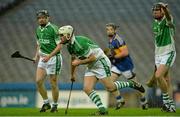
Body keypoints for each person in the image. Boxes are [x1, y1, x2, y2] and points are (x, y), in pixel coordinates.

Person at [58, 25, 144, 115]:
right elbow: (73, 61)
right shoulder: (69, 46)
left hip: (100, 62)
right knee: (87, 88)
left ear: (68, 35)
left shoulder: (80, 43)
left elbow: (93, 58)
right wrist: (72, 74)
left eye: (61, 35)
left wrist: (79, 62)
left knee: (110, 88)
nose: (60, 38)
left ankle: (131, 83)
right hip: (91, 66)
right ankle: (103, 110)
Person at [105, 23, 148, 110]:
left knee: (136, 86)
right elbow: (114, 53)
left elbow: (125, 52)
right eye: (107, 29)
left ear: (115, 30)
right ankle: (120, 100)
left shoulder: (119, 40)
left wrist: (113, 56)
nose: (109, 31)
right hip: (117, 65)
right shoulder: (110, 40)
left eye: (111, 29)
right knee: (109, 84)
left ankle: (144, 101)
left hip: (126, 66)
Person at [146, 2, 176, 112]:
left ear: (162, 12)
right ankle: (170, 105)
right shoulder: (155, 22)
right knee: (166, 79)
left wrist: (165, 9)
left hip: (168, 52)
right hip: (158, 54)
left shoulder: (167, 20)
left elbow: (168, 17)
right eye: (154, 11)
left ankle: (168, 103)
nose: (155, 13)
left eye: (157, 11)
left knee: (159, 75)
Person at [33, 10, 62, 113]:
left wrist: (49, 56)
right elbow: (39, 44)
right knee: (38, 81)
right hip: (43, 58)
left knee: (53, 83)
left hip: (54, 58)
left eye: (43, 17)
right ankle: (46, 103)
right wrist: (36, 56)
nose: (41, 19)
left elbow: (59, 46)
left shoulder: (54, 29)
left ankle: (55, 106)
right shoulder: (38, 29)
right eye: (39, 18)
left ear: (47, 18)